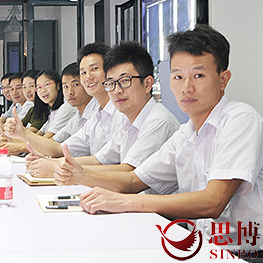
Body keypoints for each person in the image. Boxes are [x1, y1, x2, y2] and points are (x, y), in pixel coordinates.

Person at [70, 25, 263, 254]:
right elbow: (133, 180)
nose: (186, 88)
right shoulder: (185, 134)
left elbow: (213, 202)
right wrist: (82, 177)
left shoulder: (241, 119)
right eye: (178, 77)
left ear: (223, 80)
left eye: (198, 76)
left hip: (241, 254)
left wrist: (125, 203)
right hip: (197, 245)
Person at [36, 42, 179, 180]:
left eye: (124, 81)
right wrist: (56, 164)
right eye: (111, 83)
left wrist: (62, 168)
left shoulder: (158, 120)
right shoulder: (128, 123)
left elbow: (129, 172)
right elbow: (98, 160)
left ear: (147, 84)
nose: (117, 90)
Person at [0, 69, 76, 155]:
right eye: (39, 87)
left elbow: (46, 140)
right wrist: (12, 140)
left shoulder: (67, 108)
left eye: (46, 85)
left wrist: (19, 146)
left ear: (58, 86)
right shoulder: (52, 111)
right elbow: (38, 136)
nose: (43, 90)